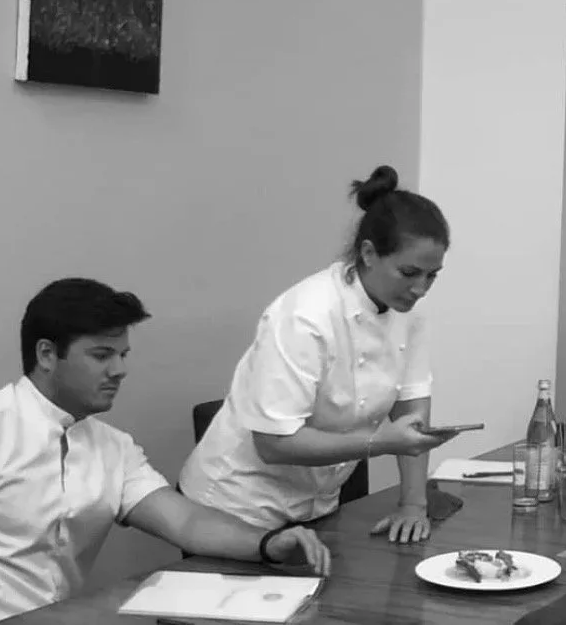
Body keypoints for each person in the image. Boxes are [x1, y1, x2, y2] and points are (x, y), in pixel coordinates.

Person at [0, 279, 329, 625]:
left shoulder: (112, 447)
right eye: (102, 355)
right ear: (46, 354)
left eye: (123, 355)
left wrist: (267, 543)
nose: (120, 370)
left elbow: (187, 522)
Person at [180, 165, 455, 544]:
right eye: (409, 272)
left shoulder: (410, 313)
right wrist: (381, 441)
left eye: (432, 275)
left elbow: (411, 416)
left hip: (319, 507)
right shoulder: (306, 315)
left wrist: (413, 505)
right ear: (369, 253)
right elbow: (274, 443)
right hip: (237, 507)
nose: (421, 288)